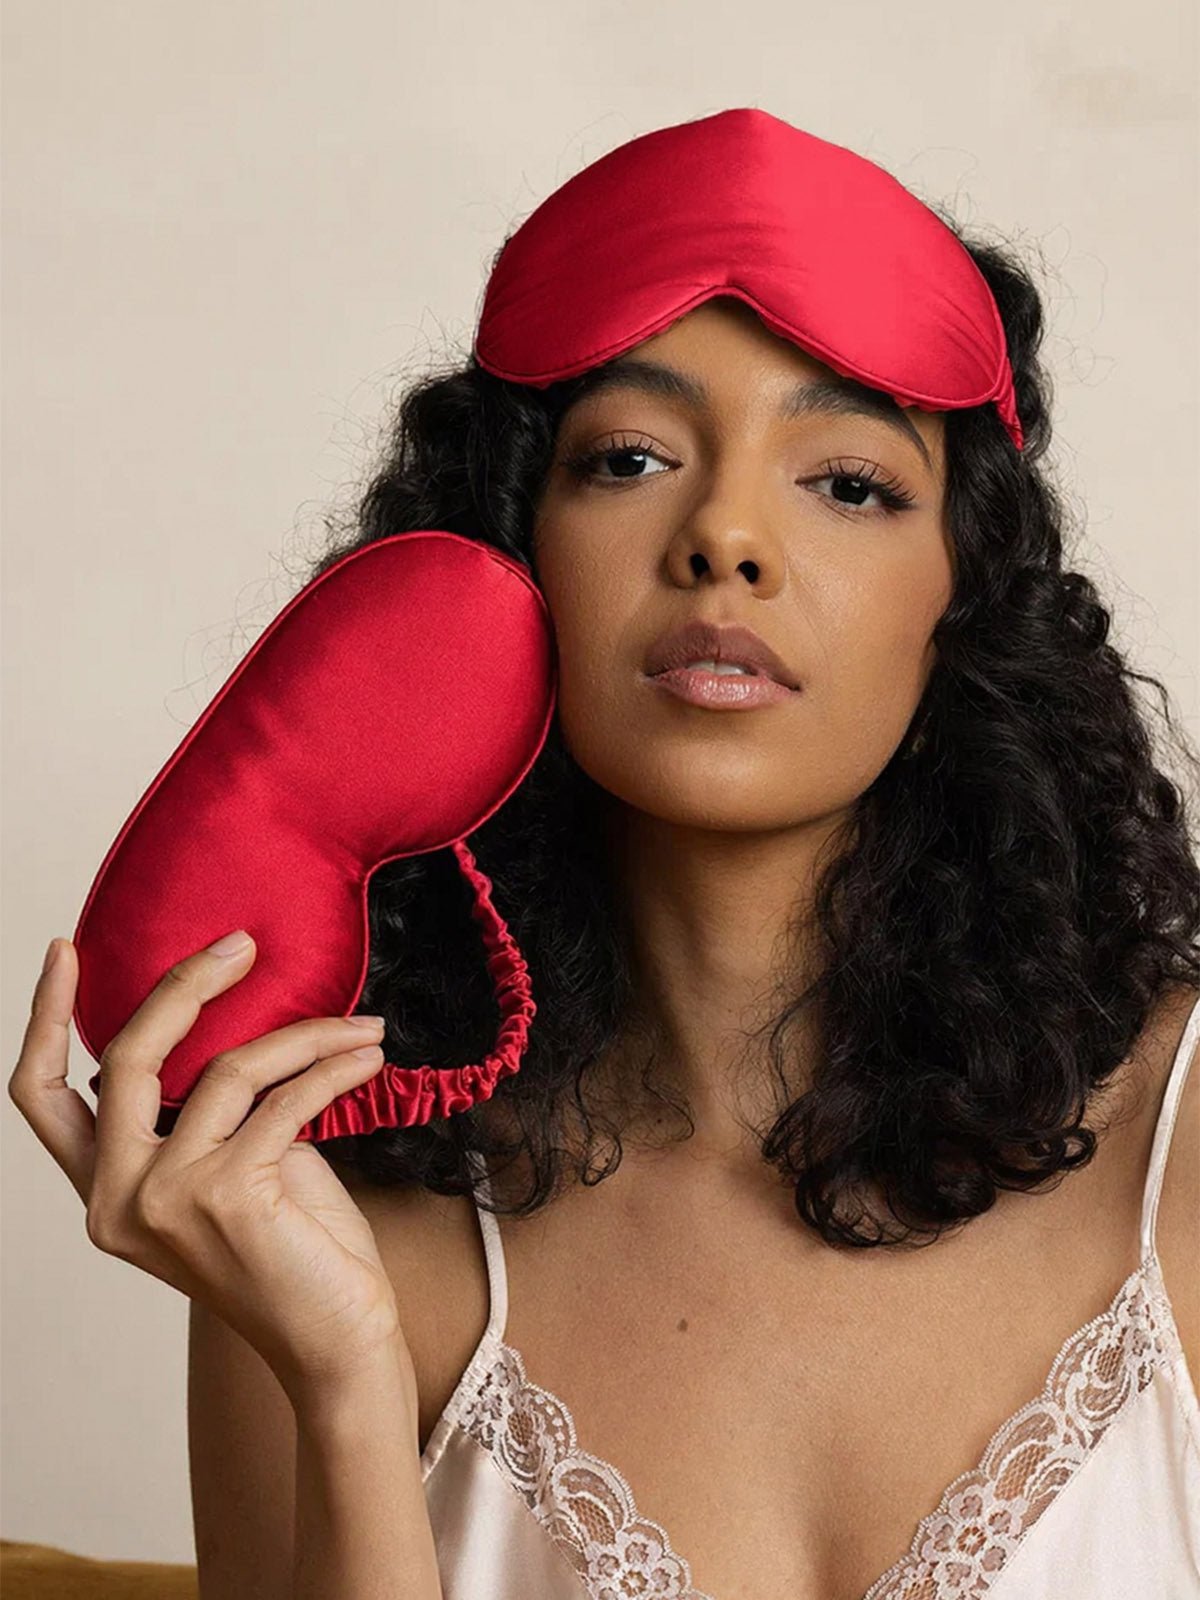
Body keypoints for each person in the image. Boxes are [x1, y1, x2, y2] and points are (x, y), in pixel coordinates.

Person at [11, 113, 1200, 1600]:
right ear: (502, 562)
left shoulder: (1186, 1152)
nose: (725, 539)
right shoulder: (327, 1221)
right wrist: (344, 1379)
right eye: (630, 458)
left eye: (848, 482)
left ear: (963, 598)